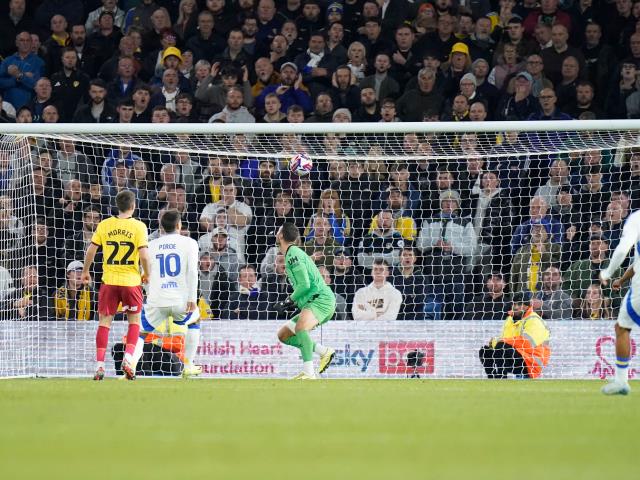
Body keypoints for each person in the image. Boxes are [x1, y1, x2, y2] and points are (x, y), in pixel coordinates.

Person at [81, 190, 151, 381]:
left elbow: (91, 250)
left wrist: (86, 271)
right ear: (133, 206)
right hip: (131, 282)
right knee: (134, 322)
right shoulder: (139, 226)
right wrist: (147, 274)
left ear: (117, 205)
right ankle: (128, 359)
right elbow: (144, 255)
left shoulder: (105, 224)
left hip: (109, 281)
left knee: (105, 323)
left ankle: (100, 365)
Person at [129, 210, 201, 378]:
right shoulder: (190, 243)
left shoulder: (150, 245)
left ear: (161, 227)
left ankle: (131, 364)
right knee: (195, 320)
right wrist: (192, 298)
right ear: (179, 225)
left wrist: (149, 293)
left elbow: (143, 275)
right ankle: (189, 365)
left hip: (156, 300)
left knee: (140, 333)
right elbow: (192, 271)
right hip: (180, 301)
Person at [274, 222, 336, 379]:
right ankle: (324, 351)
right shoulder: (294, 253)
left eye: (278, 230)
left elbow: (305, 284)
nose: (276, 233)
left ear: (281, 235)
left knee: (301, 329)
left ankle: (309, 374)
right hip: (313, 302)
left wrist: (288, 301)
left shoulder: (293, 254)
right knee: (284, 335)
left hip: (320, 300)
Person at [599, 209, 640, 395]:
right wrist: (622, 280)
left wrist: (607, 272)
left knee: (622, 327)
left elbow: (623, 249)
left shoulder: (637, 218)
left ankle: (621, 381)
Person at [478, 292, 551, 379]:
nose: (515, 307)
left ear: (527, 306)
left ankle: (501, 378)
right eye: (514, 304)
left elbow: (526, 343)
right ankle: (493, 378)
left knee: (501, 346)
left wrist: (500, 341)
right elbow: (506, 340)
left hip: (532, 361)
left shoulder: (534, 320)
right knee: (485, 351)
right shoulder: (510, 319)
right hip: (518, 356)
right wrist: (496, 342)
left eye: (519, 304)